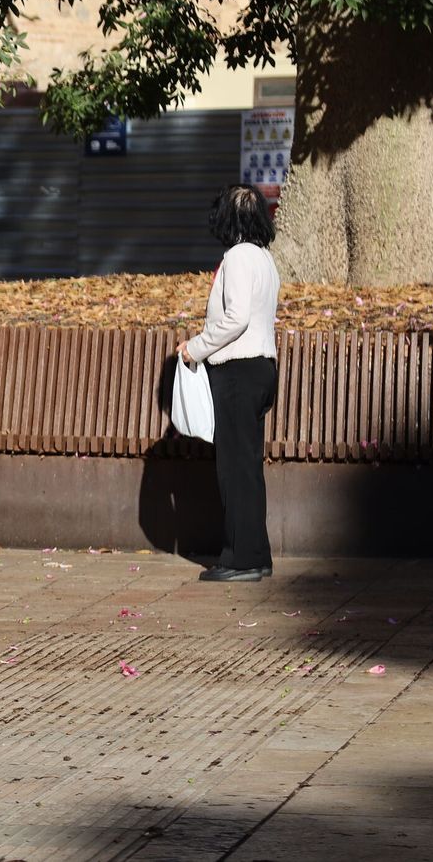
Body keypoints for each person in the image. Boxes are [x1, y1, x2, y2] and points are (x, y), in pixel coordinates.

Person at [177, 184, 281, 583]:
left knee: (234, 469)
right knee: (247, 467)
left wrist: (196, 348)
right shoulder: (265, 260)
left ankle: (241, 559)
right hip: (261, 368)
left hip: (237, 371)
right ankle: (256, 553)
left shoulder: (237, 257)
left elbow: (235, 318)